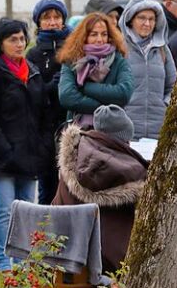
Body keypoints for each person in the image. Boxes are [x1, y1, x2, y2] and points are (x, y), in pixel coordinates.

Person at [0, 18, 49, 272]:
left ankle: (23, 261)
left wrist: (41, 148)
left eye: (21, 39)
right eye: (12, 40)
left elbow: (43, 115)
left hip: (30, 156)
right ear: (0, 44)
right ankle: (3, 262)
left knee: (26, 212)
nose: (19, 44)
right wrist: (6, 150)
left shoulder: (33, 72)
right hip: (3, 158)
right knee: (5, 210)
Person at [53, 105, 148, 274]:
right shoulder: (133, 171)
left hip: (62, 257)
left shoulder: (74, 153)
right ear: (124, 139)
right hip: (107, 266)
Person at [26, 0, 71, 204]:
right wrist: (54, 84)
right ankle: (43, 234)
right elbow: (34, 90)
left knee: (71, 186)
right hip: (44, 128)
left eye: (57, 17)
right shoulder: (34, 55)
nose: (52, 22)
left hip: (70, 124)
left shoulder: (73, 48)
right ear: (39, 23)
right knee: (47, 188)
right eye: (47, 18)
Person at [57, 13, 133, 128]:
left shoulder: (118, 60)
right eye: (94, 34)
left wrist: (85, 87)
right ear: (84, 37)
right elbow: (67, 97)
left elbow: (124, 93)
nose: (99, 39)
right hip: (79, 132)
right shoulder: (71, 61)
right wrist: (105, 108)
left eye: (104, 34)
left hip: (112, 131)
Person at [118, 0, 176, 140]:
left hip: (159, 131)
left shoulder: (163, 49)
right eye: (142, 18)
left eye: (151, 19)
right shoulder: (118, 48)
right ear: (130, 20)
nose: (147, 23)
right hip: (125, 130)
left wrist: (165, 106)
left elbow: (173, 86)